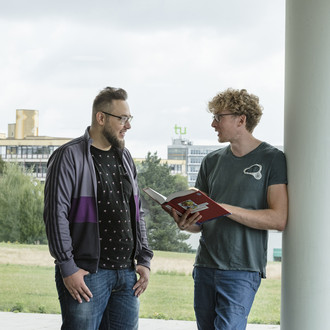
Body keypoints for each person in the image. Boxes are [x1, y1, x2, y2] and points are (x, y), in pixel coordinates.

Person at [171, 88, 288, 330]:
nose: (213, 123)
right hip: (204, 266)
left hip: (242, 269)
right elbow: (199, 221)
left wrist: (224, 208)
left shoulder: (272, 159)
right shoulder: (211, 161)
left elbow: (278, 218)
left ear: (241, 120)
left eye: (218, 117)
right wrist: (185, 222)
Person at [43, 87, 153, 330]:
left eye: (129, 119)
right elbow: (55, 215)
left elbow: (137, 213)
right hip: (87, 274)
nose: (128, 126)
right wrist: (67, 267)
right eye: (122, 119)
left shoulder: (125, 157)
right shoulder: (68, 156)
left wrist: (144, 259)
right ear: (100, 118)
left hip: (126, 275)